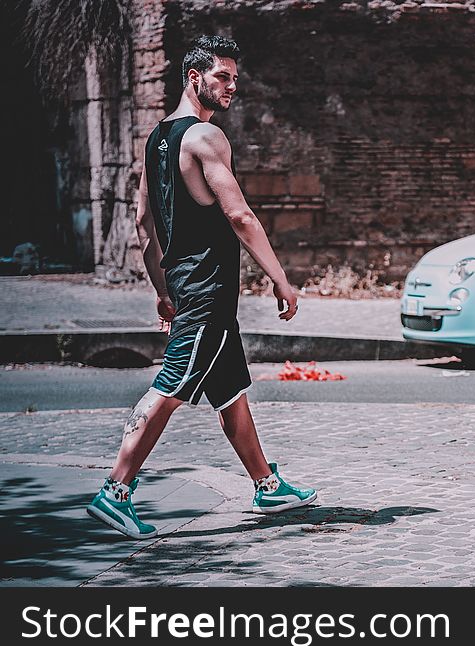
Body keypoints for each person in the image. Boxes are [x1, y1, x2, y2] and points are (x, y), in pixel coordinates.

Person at [86, 35, 316, 539]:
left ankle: (266, 485)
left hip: (190, 287)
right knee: (169, 387)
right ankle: (116, 491)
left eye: (235, 78)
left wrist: (163, 289)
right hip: (209, 292)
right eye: (223, 77)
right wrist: (281, 279)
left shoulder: (157, 139)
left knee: (230, 390)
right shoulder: (206, 139)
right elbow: (238, 213)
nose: (232, 86)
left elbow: (145, 222)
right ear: (195, 79)